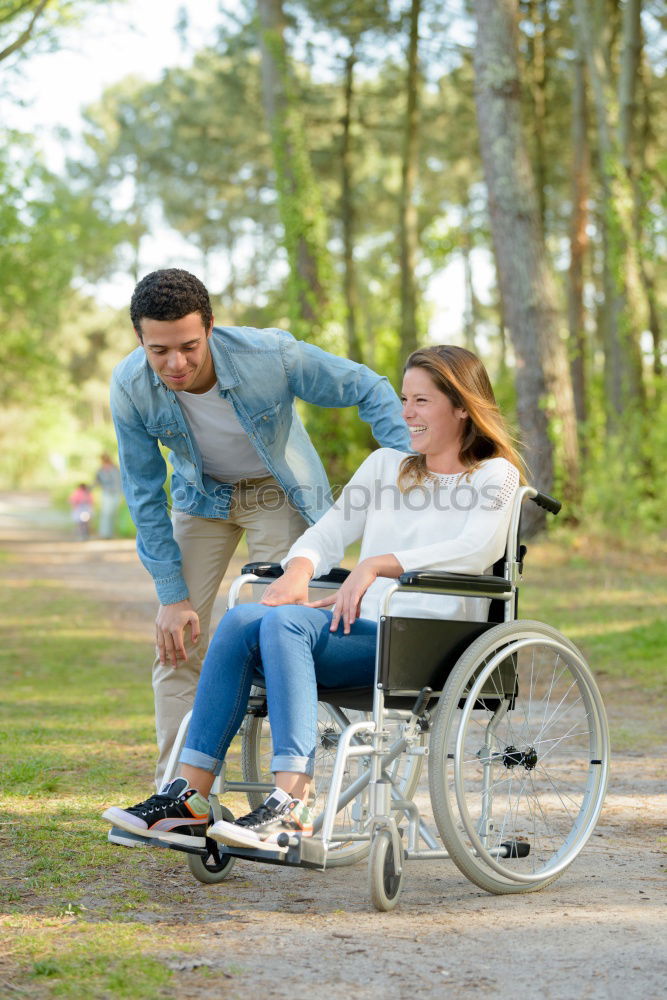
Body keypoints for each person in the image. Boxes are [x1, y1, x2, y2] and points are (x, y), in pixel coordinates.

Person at [103, 344, 524, 853]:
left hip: (429, 642)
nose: (406, 413)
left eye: (421, 401)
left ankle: (292, 803)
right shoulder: (386, 465)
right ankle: (189, 797)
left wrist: (375, 564)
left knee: (286, 625)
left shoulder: (494, 475)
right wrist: (299, 570)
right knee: (243, 619)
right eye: (404, 399)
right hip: (364, 633)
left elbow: (476, 548)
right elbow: (327, 533)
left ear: (462, 406)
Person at [111, 267, 410, 789]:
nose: (175, 363)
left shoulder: (269, 355)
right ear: (140, 339)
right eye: (159, 351)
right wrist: (171, 593)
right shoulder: (130, 387)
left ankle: (294, 790)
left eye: (188, 345)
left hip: (278, 492)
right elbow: (142, 491)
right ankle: (180, 792)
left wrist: (412, 470)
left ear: (209, 327)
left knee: (287, 634)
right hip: (201, 500)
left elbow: (370, 387)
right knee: (176, 641)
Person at [95, 453, 122, 539]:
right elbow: (96, 481)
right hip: (106, 493)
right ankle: (104, 533)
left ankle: (110, 533)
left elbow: (119, 481)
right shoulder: (100, 470)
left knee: (113, 513)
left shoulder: (115, 469)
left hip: (115, 493)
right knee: (106, 513)